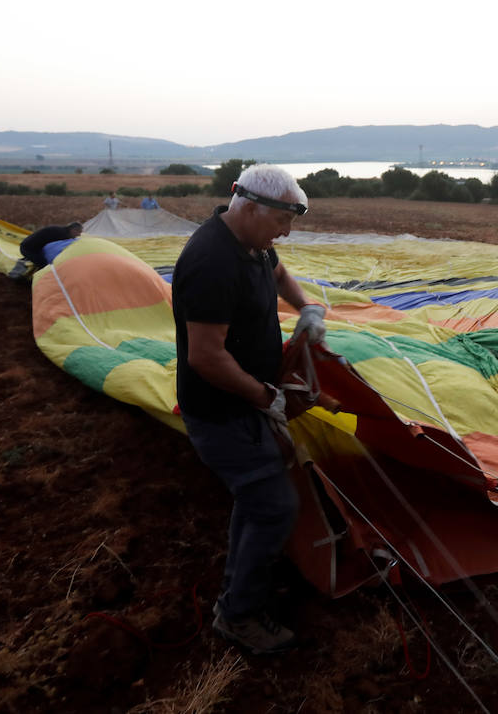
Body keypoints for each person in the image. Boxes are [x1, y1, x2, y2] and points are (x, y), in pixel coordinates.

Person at [171, 164, 327, 654]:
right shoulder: (211, 261)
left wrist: (306, 306)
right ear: (252, 206)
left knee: (256, 499)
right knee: (273, 505)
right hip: (220, 410)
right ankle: (238, 616)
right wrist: (266, 398)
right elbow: (206, 356)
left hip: (246, 401)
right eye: (283, 219)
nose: (287, 230)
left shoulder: (252, 244)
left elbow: (277, 270)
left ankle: (243, 586)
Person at [15, 221, 84, 272]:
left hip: (33, 247)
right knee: (45, 266)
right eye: (79, 232)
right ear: (73, 230)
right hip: (28, 249)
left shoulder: (62, 231)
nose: (79, 235)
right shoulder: (62, 235)